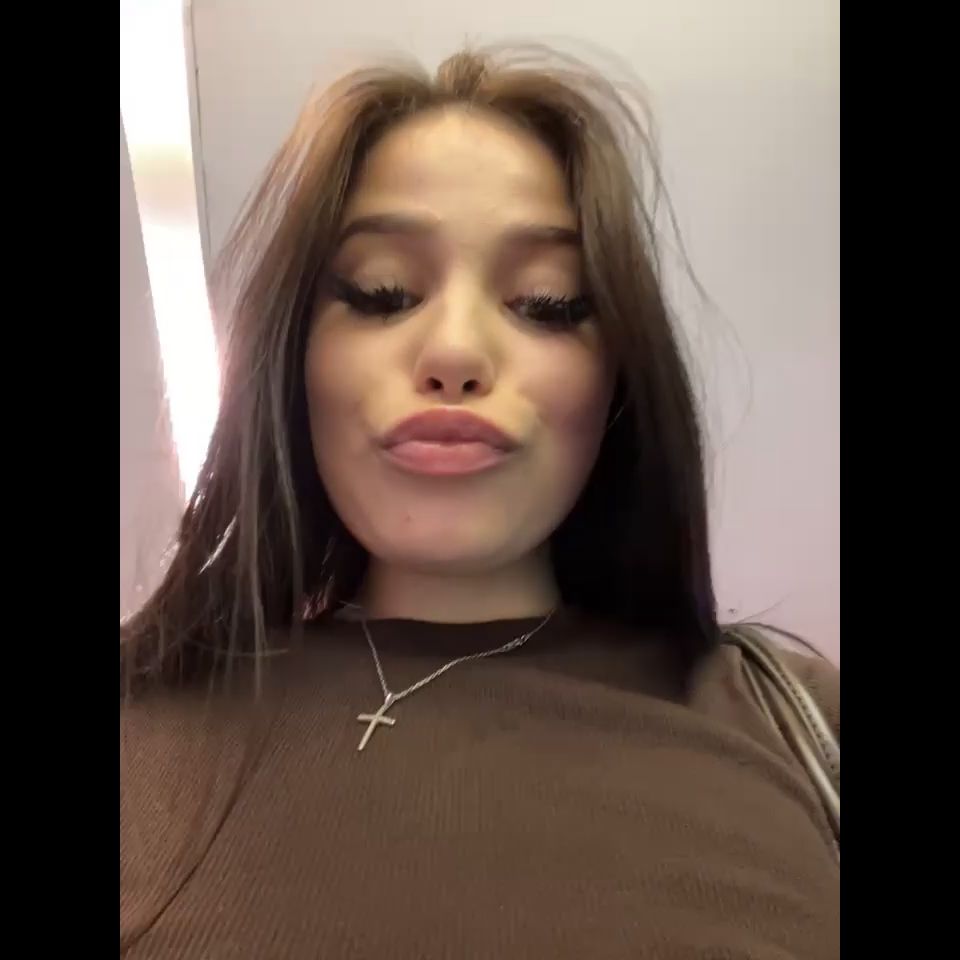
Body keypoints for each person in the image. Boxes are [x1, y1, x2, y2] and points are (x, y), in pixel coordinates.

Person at [120, 45, 839, 958]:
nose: (455, 351)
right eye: (382, 293)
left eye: (547, 303)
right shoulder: (141, 720)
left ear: (620, 380)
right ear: (293, 358)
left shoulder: (796, 724)